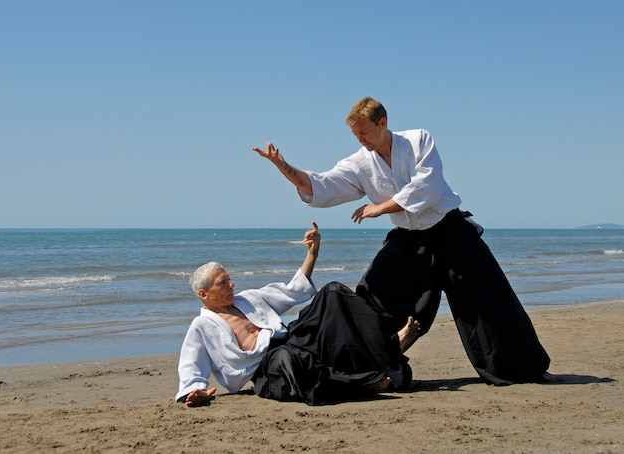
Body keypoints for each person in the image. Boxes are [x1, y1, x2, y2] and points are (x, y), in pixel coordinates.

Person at [252, 97, 551, 386]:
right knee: (373, 294)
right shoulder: (360, 163)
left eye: (365, 132)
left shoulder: (418, 140)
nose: (361, 140)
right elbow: (321, 185)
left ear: (383, 123)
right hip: (409, 239)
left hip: (449, 228)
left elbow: (427, 186)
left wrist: (379, 208)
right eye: (356, 135)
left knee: (488, 296)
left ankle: (523, 369)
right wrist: (285, 167)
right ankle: (371, 364)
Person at [176, 222, 419, 407]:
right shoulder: (201, 326)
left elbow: (293, 290)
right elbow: (191, 362)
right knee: (290, 360)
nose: (231, 285)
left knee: (332, 293)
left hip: (290, 339)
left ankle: (388, 343)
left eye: (229, 280)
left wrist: (312, 253)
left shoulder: (248, 298)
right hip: (266, 365)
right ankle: (364, 384)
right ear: (204, 294)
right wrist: (194, 391)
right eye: (223, 283)